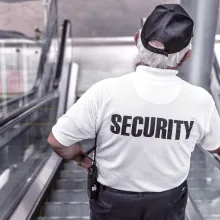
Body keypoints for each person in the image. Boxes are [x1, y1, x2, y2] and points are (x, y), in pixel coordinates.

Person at [47, 4, 220, 220]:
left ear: (137, 39)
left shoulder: (105, 92)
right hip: (167, 202)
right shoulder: (200, 100)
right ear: (186, 56)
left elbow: (57, 141)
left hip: (112, 202)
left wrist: (80, 158)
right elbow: (217, 146)